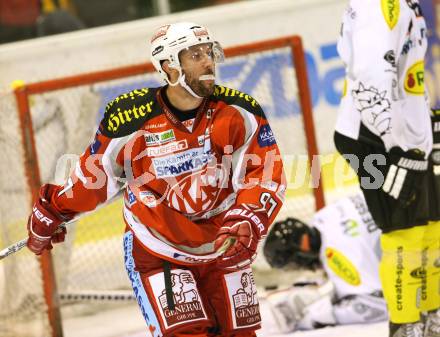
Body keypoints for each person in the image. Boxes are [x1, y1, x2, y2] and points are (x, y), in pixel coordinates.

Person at [25, 22, 286, 337]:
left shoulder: (238, 110)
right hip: (157, 245)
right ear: (168, 67)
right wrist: (54, 209)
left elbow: (265, 171)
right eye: (194, 55)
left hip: (223, 244)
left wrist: (249, 217)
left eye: (209, 52)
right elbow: (93, 179)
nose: (207, 62)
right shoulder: (129, 116)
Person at [334, 1, 440, 336]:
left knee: (431, 230)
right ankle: (405, 324)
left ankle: (429, 315)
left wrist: (423, 128)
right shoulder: (381, 3)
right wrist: (399, 146)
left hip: (405, 136)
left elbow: (406, 77)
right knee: (404, 232)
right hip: (374, 137)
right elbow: (371, 77)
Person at [261, 192, 388, 333]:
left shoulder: (339, 260)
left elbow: (377, 307)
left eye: (294, 265)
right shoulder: (325, 215)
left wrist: (318, 317)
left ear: (299, 256)